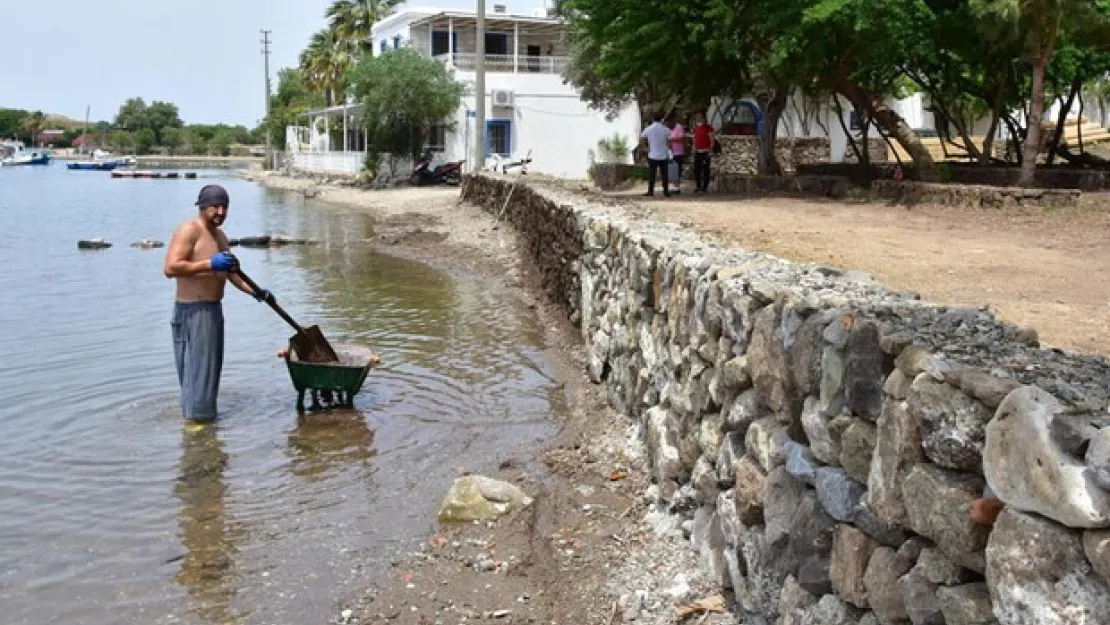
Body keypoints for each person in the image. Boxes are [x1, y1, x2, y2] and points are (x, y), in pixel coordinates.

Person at [163, 184, 274, 423]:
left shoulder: (220, 237)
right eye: (215, 207)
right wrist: (208, 264)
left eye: (224, 207)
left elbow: (234, 274)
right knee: (197, 371)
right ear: (203, 207)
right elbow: (170, 268)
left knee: (209, 371)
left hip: (213, 310)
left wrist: (256, 292)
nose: (220, 212)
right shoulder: (188, 231)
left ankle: (200, 421)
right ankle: (198, 428)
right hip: (192, 311)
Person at [640, 111, 671, 197]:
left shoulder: (649, 129)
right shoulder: (666, 129)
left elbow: (641, 138)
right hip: (663, 154)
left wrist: (645, 148)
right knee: (664, 174)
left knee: (652, 174)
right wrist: (668, 150)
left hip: (652, 154)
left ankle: (650, 191)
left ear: (652, 118)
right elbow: (669, 142)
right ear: (662, 119)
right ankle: (666, 191)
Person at [692, 113, 716, 194]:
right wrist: (694, 147)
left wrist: (710, 150)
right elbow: (695, 138)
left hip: (706, 151)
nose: (699, 120)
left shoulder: (708, 128)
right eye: (697, 118)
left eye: (700, 118)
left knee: (705, 170)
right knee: (697, 169)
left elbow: (712, 139)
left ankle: (705, 186)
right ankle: (698, 186)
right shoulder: (696, 128)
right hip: (698, 151)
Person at [668, 115, 687, 194]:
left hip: (678, 152)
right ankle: (672, 187)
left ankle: (677, 188)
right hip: (670, 153)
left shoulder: (679, 127)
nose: (669, 125)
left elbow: (681, 138)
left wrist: (672, 140)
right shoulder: (668, 129)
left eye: (669, 123)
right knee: (671, 170)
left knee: (677, 170)